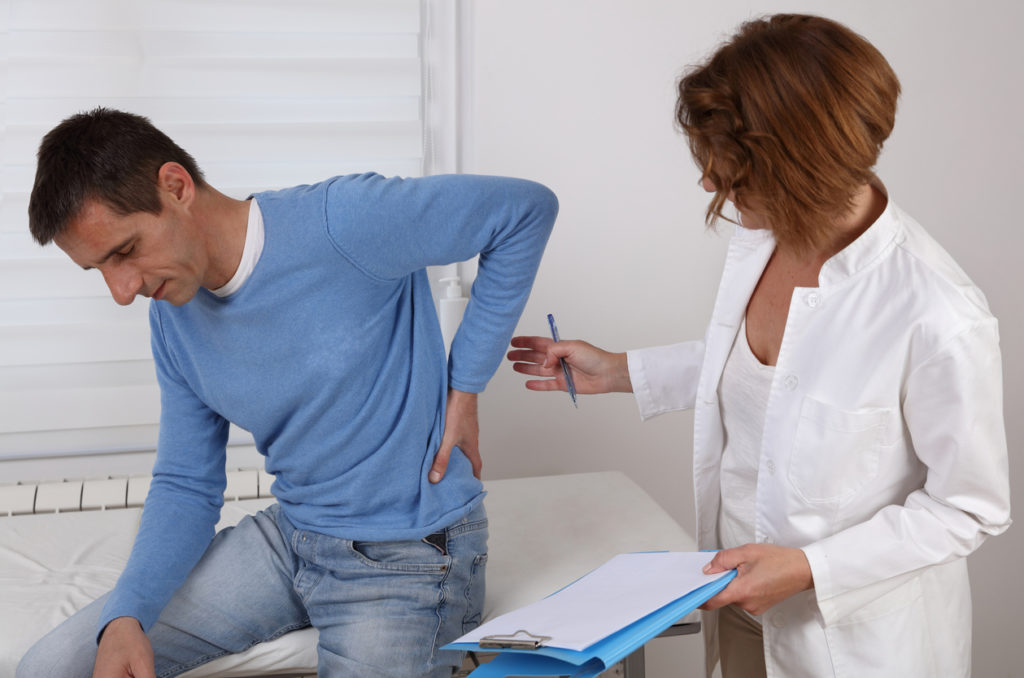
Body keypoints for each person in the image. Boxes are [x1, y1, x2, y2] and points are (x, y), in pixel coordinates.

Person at [508, 14, 1009, 678]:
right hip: (740, 605)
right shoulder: (766, 238)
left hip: (849, 641)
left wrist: (808, 567)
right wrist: (620, 371)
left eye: (733, 171)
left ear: (802, 163)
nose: (710, 185)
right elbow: (768, 373)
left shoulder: (937, 311)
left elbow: (967, 508)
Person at [18, 108, 557, 678]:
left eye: (124, 252)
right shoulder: (172, 316)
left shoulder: (344, 222)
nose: (122, 291)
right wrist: (127, 614)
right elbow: (185, 482)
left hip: (408, 552)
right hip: (292, 538)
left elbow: (523, 211)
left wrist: (464, 386)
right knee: (51, 667)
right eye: (98, 269)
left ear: (175, 187)